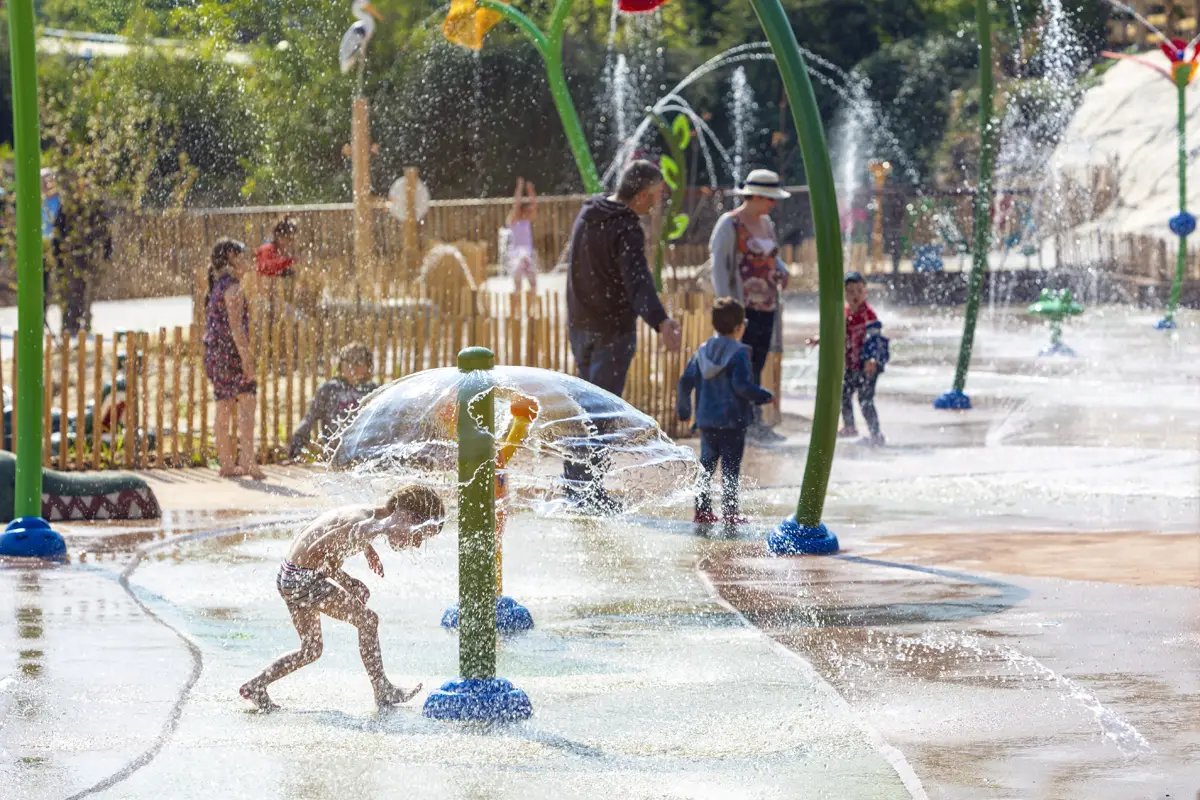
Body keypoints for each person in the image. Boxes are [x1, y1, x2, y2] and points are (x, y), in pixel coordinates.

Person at [238, 484, 446, 712]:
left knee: (311, 650)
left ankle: (256, 685)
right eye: (418, 534)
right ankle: (382, 689)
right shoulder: (365, 526)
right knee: (368, 621)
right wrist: (348, 582)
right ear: (404, 515)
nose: (415, 543)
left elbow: (337, 537)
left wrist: (368, 550)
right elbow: (323, 552)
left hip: (289, 575)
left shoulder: (370, 516)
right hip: (304, 579)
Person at [564, 159, 683, 512]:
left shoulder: (589, 213)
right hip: (612, 331)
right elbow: (638, 282)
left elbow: (574, 270)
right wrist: (661, 321)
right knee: (601, 414)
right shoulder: (627, 227)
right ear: (644, 195)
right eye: (657, 196)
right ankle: (588, 494)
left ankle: (575, 488)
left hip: (580, 326)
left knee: (584, 412)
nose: (658, 203)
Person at [709, 168, 791, 445]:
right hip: (741, 309)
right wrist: (725, 305)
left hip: (766, 307)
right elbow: (719, 265)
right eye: (770, 198)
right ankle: (740, 424)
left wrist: (783, 270)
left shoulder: (767, 223)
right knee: (740, 366)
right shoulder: (729, 224)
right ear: (754, 196)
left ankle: (754, 424)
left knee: (757, 364)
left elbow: (772, 256)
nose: (773, 204)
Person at [677, 298, 773, 525]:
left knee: (706, 467)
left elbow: (685, 381)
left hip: (707, 421)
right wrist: (764, 396)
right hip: (733, 422)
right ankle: (730, 514)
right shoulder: (739, 353)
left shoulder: (702, 352)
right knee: (730, 469)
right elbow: (741, 386)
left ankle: (702, 512)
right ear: (740, 327)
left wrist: (684, 410)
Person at [203, 238, 266, 479]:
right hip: (231, 354)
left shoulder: (218, 285)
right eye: (244, 254)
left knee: (224, 405)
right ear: (231, 256)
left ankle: (227, 464)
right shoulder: (234, 289)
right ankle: (248, 462)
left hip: (215, 354)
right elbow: (236, 327)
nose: (249, 259)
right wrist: (246, 359)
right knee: (247, 403)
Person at [809, 271, 885, 446]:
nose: (855, 295)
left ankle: (875, 432)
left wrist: (872, 359)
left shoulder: (869, 315)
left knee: (865, 399)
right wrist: (819, 339)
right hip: (851, 364)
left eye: (859, 291)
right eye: (850, 291)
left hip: (868, 365)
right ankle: (850, 426)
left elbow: (874, 339)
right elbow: (834, 333)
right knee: (843, 394)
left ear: (866, 292)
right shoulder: (843, 313)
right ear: (843, 294)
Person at [289, 342, 379, 459]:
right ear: (341, 364)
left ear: (368, 366)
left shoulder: (373, 391)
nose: (353, 366)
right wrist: (297, 443)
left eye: (359, 361)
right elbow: (309, 419)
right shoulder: (329, 389)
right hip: (335, 453)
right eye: (349, 360)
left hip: (365, 452)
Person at [52, 177, 112, 337]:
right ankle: (68, 325)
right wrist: (58, 254)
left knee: (84, 291)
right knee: (69, 291)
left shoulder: (94, 206)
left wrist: (107, 250)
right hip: (70, 255)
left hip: (88, 255)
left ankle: (83, 324)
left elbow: (105, 228)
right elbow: (58, 230)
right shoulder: (69, 206)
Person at [504, 178, 538, 293]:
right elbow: (516, 204)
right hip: (516, 256)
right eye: (527, 210)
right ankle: (515, 309)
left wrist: (531, 191)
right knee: (517, 287)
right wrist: (520, 187)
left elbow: (534, 205)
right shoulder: (513, 220)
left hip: (527, 256)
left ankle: (530, 309)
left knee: (533, 285)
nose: (529, 212)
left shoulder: (527, 221)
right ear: (522, 210)